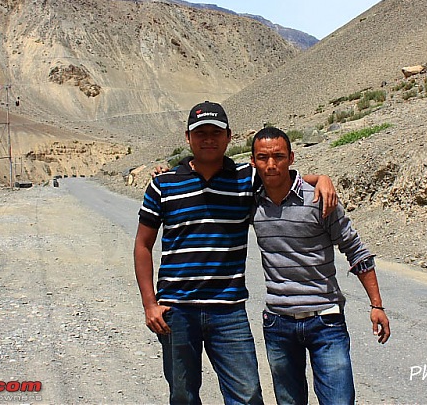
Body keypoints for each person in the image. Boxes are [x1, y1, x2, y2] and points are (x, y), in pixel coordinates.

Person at [133, 101, 338, 405]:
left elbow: (280, 179)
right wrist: (150, 304)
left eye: (215, 132)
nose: (208, 139)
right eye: (200, 133)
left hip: (228, 310)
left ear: (229, 136)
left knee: (247, 394)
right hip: (177, 310)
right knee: (182, 395)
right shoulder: (163, 184)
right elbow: (142, 245)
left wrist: (320, 179)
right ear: (188, 138)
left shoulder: (246, 178)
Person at [250, 126, 390, 405]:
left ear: (291, 157)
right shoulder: (250, 199)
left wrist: (376, 305)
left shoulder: (319, 199)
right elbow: (211, 175)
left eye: (278, 156)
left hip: (325, 321)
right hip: (278, 323)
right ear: (253, 162)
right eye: (263, 158)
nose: (271, 164)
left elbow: (355, 250)